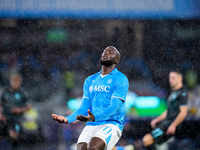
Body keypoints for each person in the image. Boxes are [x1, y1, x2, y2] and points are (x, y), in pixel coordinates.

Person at [52, 46, 129, 150]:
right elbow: (84, 107)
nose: (106, 53)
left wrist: (95, 117)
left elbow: (115, 106)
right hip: (92, 124)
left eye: (110, 52)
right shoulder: (90, 80)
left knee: (93, 148)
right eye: (104, 52)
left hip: (111, 123)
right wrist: (67, 119)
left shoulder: (120, 79)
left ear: (117, 60)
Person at [142, 71, 188, 150]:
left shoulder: (182, 93)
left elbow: (183, 112)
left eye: (173, 78)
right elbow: (168, 111)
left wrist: (173, 125)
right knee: (151, 141)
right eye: (170, 78)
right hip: (166, 124)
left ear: (180, 79)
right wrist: (156, 120)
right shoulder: (173, 93)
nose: (170, 80)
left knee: (147, 140)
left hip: (170, 125)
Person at [0, 74, 31, 150]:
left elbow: (28, 107)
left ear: (20, 83)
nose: (15, 83)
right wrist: (0, 114)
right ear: (10, 82)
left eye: (17, 82)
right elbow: (0, 103)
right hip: (4, 118)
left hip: (15, 119)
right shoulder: (5, 91)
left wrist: (19, 110)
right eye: (14, 81)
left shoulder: (23, 93)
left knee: (14, 136)